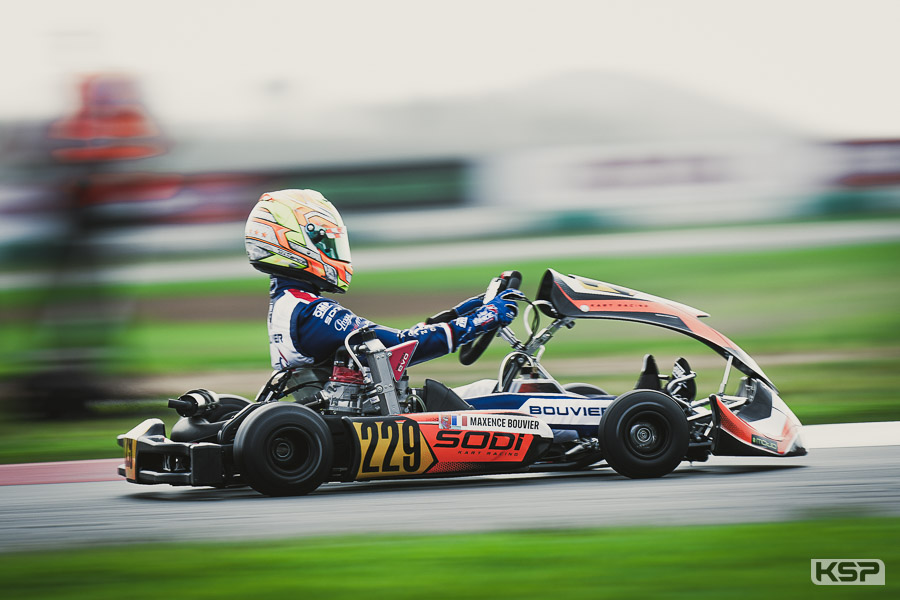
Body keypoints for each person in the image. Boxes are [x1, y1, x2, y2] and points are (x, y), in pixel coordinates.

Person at [244, 189, 519, 397]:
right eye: (325, 241)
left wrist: (459, 314)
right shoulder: (311, 312)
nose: (333, 250)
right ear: (293, 243)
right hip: (360, 416)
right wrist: (483, 319)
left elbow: (386, 343)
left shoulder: (291, 305)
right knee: (500, 394)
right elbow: (402, 346)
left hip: (352, 408)